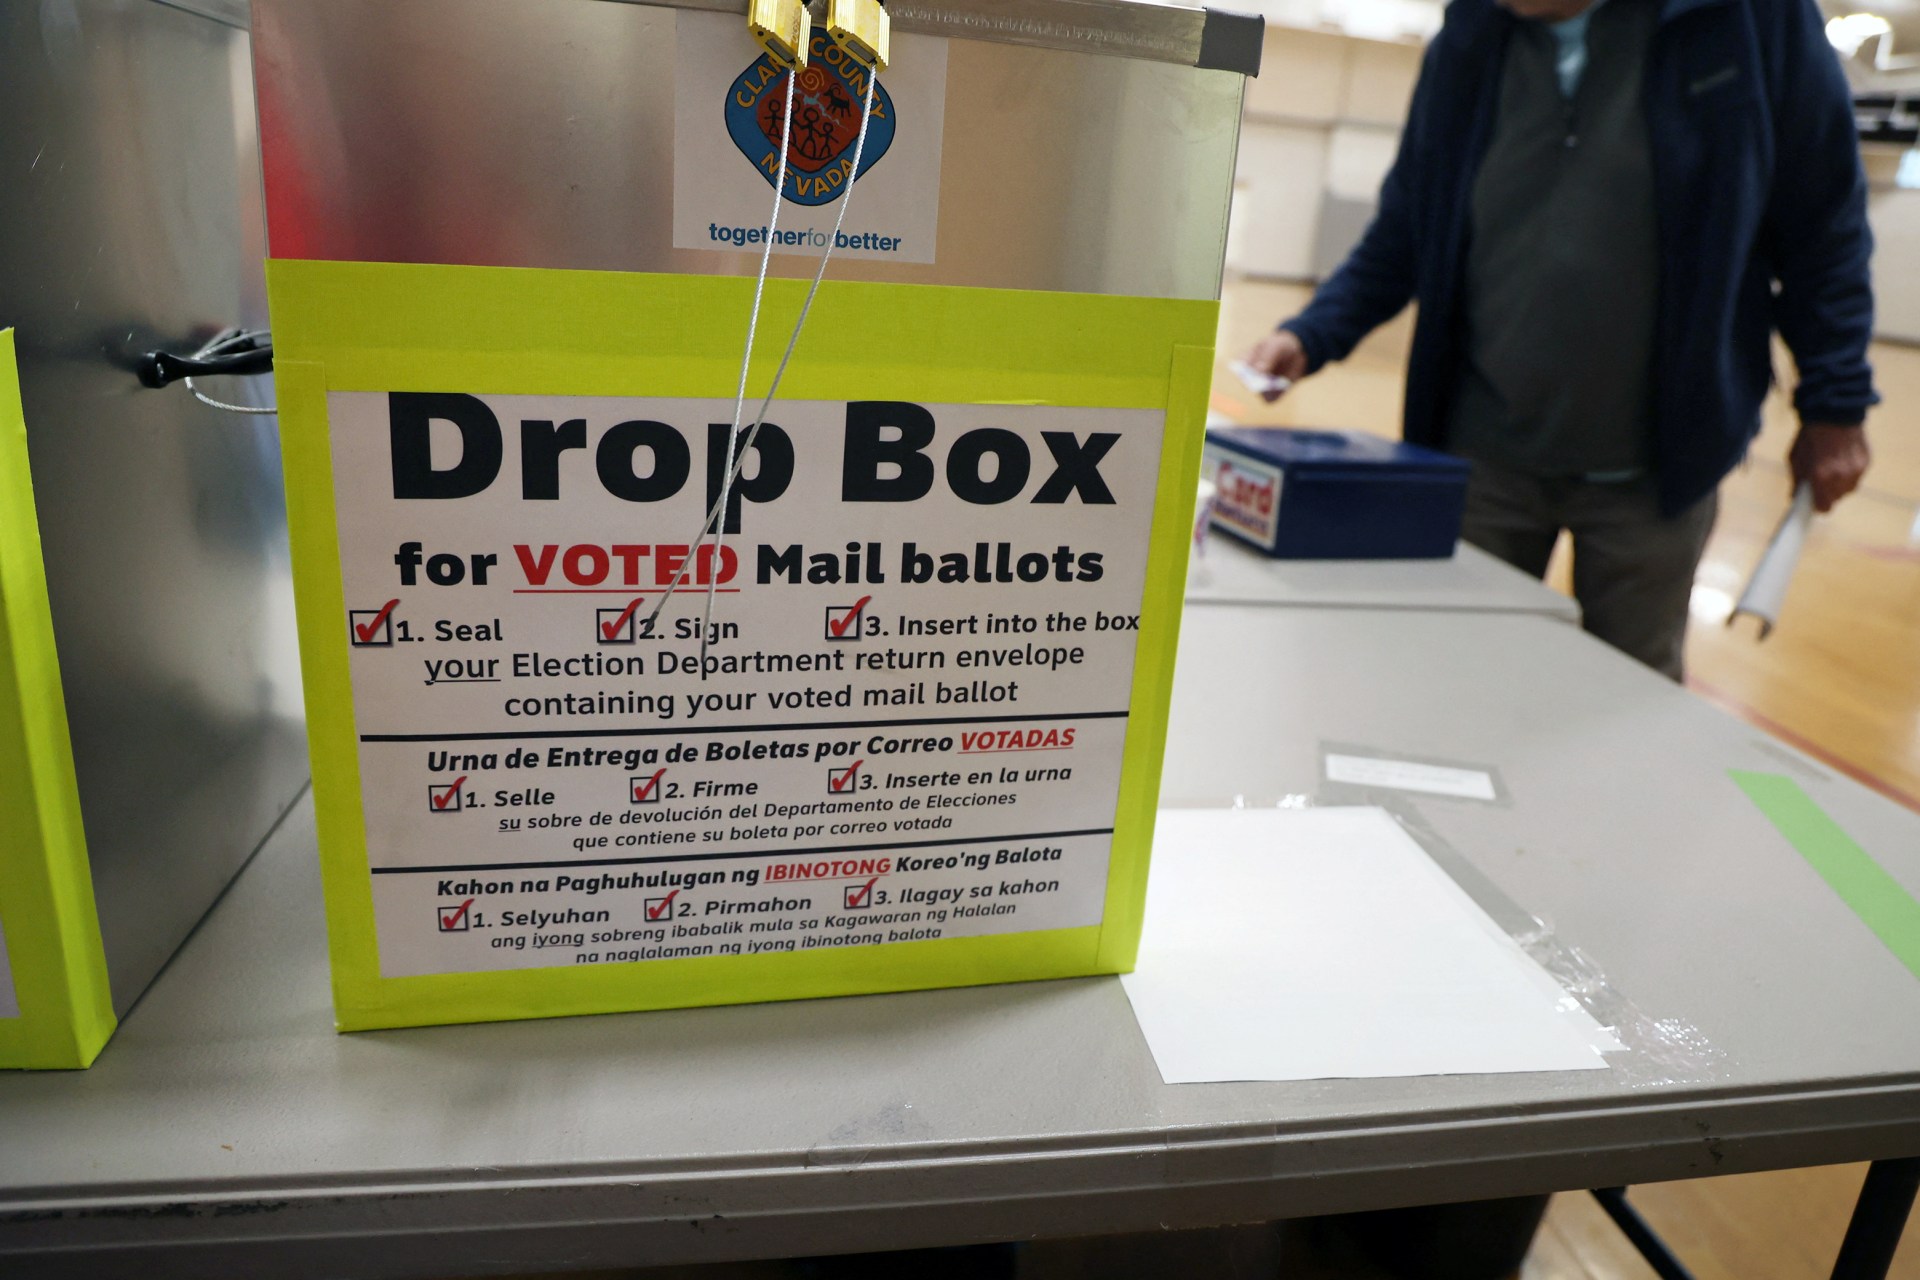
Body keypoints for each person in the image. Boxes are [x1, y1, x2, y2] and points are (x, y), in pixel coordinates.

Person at [1243, 0, 1878, 681]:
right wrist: (1312, 332)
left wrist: (1835, 404)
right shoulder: (1470, 36)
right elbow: (1407, 226)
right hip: (1481, 456)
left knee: (1625, 706)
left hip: (1657, 472)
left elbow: (1824, 227)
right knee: (1450, 680)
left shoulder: (1746, 20)